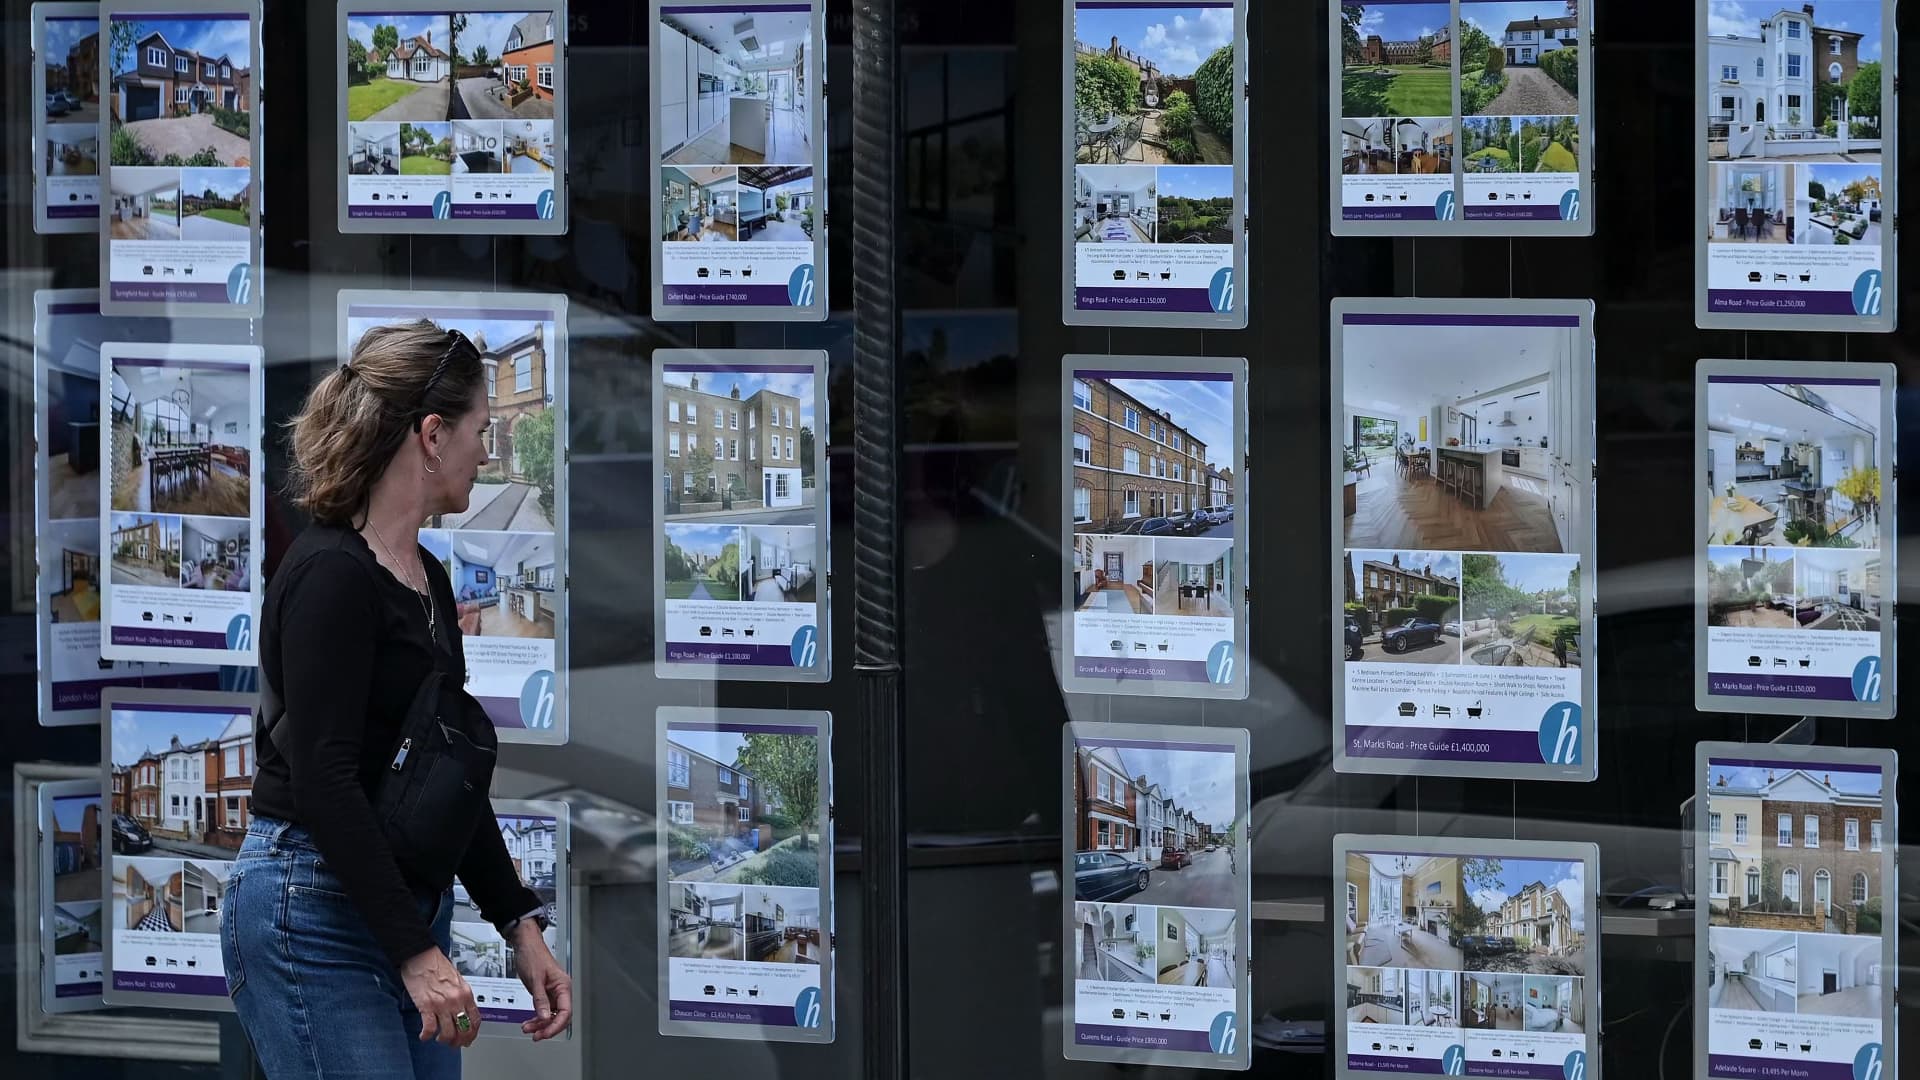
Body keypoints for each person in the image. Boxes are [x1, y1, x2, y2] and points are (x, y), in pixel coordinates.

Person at [222, 322, 572, 1079]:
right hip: (308, 910)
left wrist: (520, 924)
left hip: (401, 903)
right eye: (482, 430)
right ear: (433, 435)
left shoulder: (428, 580)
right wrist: (415, 952)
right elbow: (322, 778)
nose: (489, 450)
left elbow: (446, 778)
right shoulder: (330, 577)